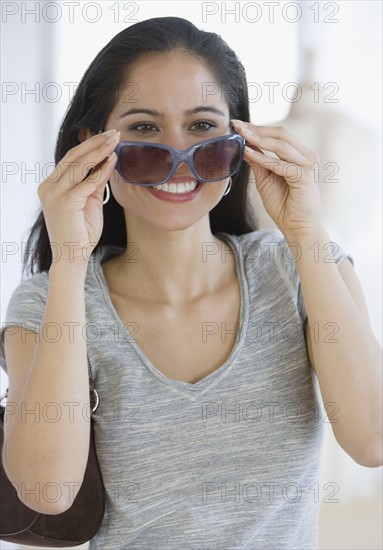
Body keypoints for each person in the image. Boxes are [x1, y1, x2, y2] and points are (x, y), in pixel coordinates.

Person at [0, 16, 381, 550]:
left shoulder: (298, 269)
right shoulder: (48, 301)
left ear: (240, 140)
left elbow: (371, 439)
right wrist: (68, 259)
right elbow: (47, 489)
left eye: (203, 127)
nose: (178, 158)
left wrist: (304, 229)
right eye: (144, 130)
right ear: (93, 148)